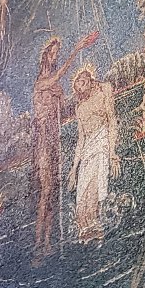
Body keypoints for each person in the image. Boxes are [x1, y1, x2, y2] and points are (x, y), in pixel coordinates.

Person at [31, 31, 99, 258]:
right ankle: (38, 242)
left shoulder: (55, 88)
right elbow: (58, 75)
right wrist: (76, 50)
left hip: (54, 139)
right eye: (52, 54)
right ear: (45, 57)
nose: (54, 57)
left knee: (53, 192)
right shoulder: (41, 83)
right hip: (43, 140)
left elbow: (64, 108)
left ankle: (48, 241)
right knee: (46, 190)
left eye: (56, 54)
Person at [67, 69, 120, 242]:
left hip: (101, 143)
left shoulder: (104, 90)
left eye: (82, 84)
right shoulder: (80, 108)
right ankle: (85, 230)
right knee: (81, 197)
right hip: (87, 149)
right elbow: (81, 138)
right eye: (77, 88)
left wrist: (112, 153)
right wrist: (74, 169)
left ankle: (95, 227)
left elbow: (112, 121)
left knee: (93, 191)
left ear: (89, 80)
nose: (80, 90)